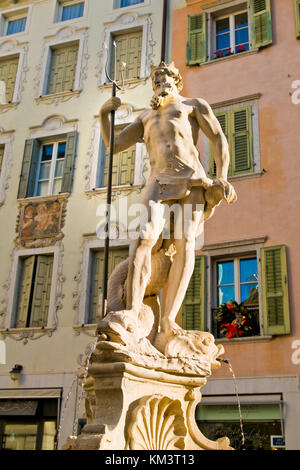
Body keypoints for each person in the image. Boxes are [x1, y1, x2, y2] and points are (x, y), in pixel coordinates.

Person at [99, 62, 237, 341]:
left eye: (165, 76)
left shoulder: (191, 105)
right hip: (159, 181)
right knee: (143, 239)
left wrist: (221, 176)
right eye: (156, 78)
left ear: (177, 81)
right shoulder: (145, 117)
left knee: (186, 243)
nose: (161, 80)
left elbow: (219, 138)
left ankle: (168, 321)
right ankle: (132, 311)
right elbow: (112, 145)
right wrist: (104, 114)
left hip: (192, 181)